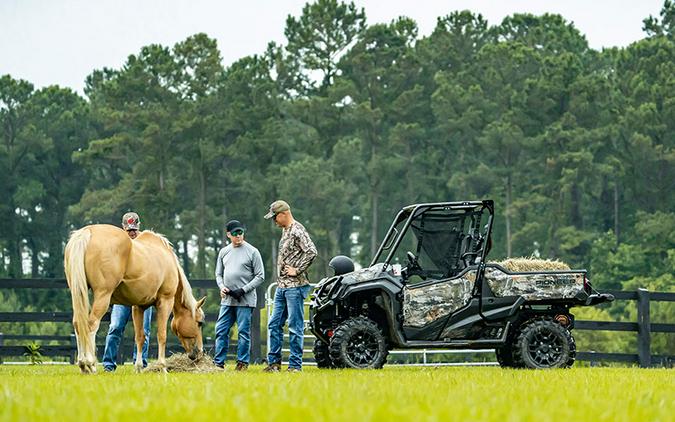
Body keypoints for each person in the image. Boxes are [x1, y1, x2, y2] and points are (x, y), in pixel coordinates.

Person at [263, 200, 317, 372]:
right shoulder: (285, 230)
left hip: (295, 286)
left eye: (275, 218)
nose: (274, 222)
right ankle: (274, 364)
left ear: (284, 214)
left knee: (295, 326)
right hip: (282, 286)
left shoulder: (297, 230)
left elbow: (311, 251)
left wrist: (297, 269)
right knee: (274, 324)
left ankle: (295, 366)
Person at [102, 212, 153, 372]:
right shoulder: (117, 248)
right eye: (128, 229)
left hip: (143, 295)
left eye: (134, 229)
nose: (131, 232)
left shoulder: (146, 246)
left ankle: (141, 363)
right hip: (123, 294)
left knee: (144, 330)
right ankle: (108, 365)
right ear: (123, 228)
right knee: (115, 327)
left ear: (138, 227)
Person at [213, 219, 265, 370]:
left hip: (245, 300)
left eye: (241, 233)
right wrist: (222, 286)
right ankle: (219, 363)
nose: (239, 236)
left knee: (243, 332)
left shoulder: (253, 252)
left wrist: (243, 290)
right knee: (221, 330)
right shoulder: (224, 252)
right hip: (228, 299)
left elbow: (260, 276)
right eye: (235, 233)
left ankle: (242, 363)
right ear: (228, 234)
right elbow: (218, 274)